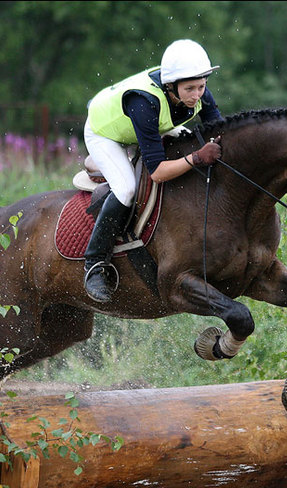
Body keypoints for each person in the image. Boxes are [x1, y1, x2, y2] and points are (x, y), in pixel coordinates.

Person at [82, 39, 224, 303]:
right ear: (171, 86)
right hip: (105, 131)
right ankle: (94, 264)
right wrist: (196, 158)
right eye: (190, 89)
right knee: (126, 189)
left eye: (201, 87)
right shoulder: (143, 102)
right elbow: (157, 172)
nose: (197, 95)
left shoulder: (196, 89)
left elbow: (218, 131)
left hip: (151, 123)